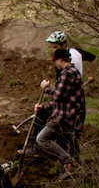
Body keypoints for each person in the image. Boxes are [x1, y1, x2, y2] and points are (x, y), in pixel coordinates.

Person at [35, 48, 85, 176]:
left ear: (60, 60)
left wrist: (45, 88)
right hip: (70, 115)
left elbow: (57, 96)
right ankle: (66, 175)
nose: (54, 64)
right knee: (61, 144)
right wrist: (44, 107)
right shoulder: (74, 72)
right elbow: (64, 99)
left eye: (55, 61)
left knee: (42, 139)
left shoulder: (67, 73)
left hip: (64, 117)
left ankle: (71, 162)